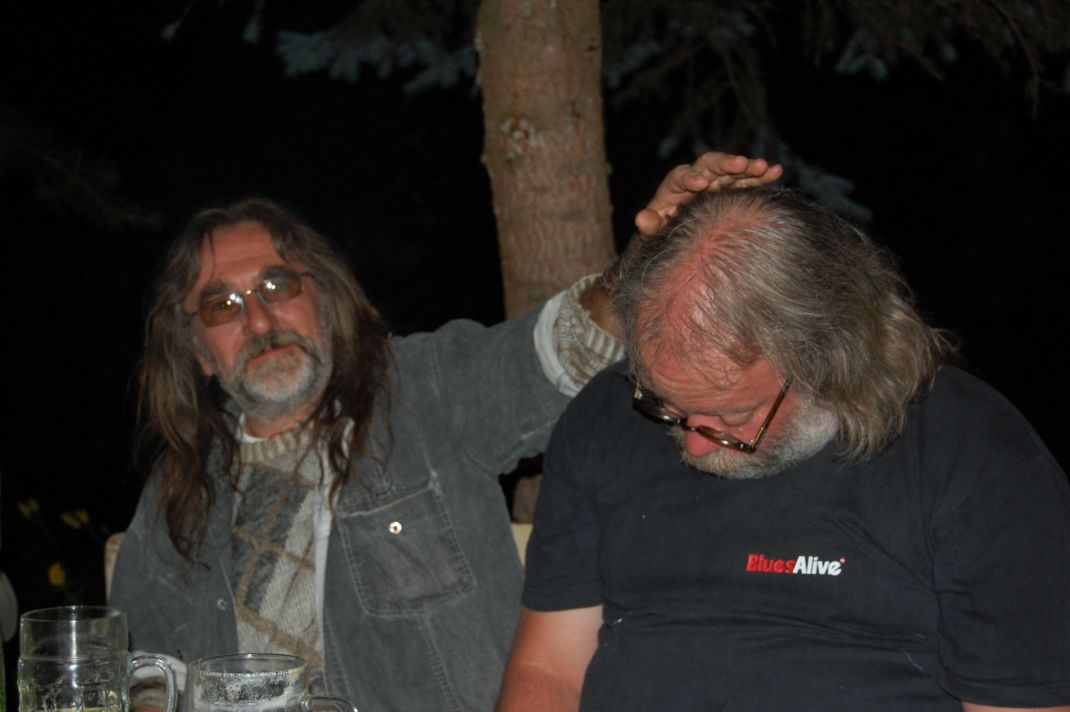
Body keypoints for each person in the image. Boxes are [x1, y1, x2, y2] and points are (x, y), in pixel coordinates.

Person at [109, 154, 782, 711]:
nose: (258, 321)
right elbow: (139, 674)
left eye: (277, 286)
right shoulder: (177, 492)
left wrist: (650, 250)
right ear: (197, 350)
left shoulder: (425, 393)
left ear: (324, 298)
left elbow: (565, 350)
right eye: (221, 305)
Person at [498, 189, 1070, 712]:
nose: (693, 442)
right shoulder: (604, 419)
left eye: (732, 417)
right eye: (667, 405)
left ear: (830, 357)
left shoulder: (973, 456)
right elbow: (549, 671)